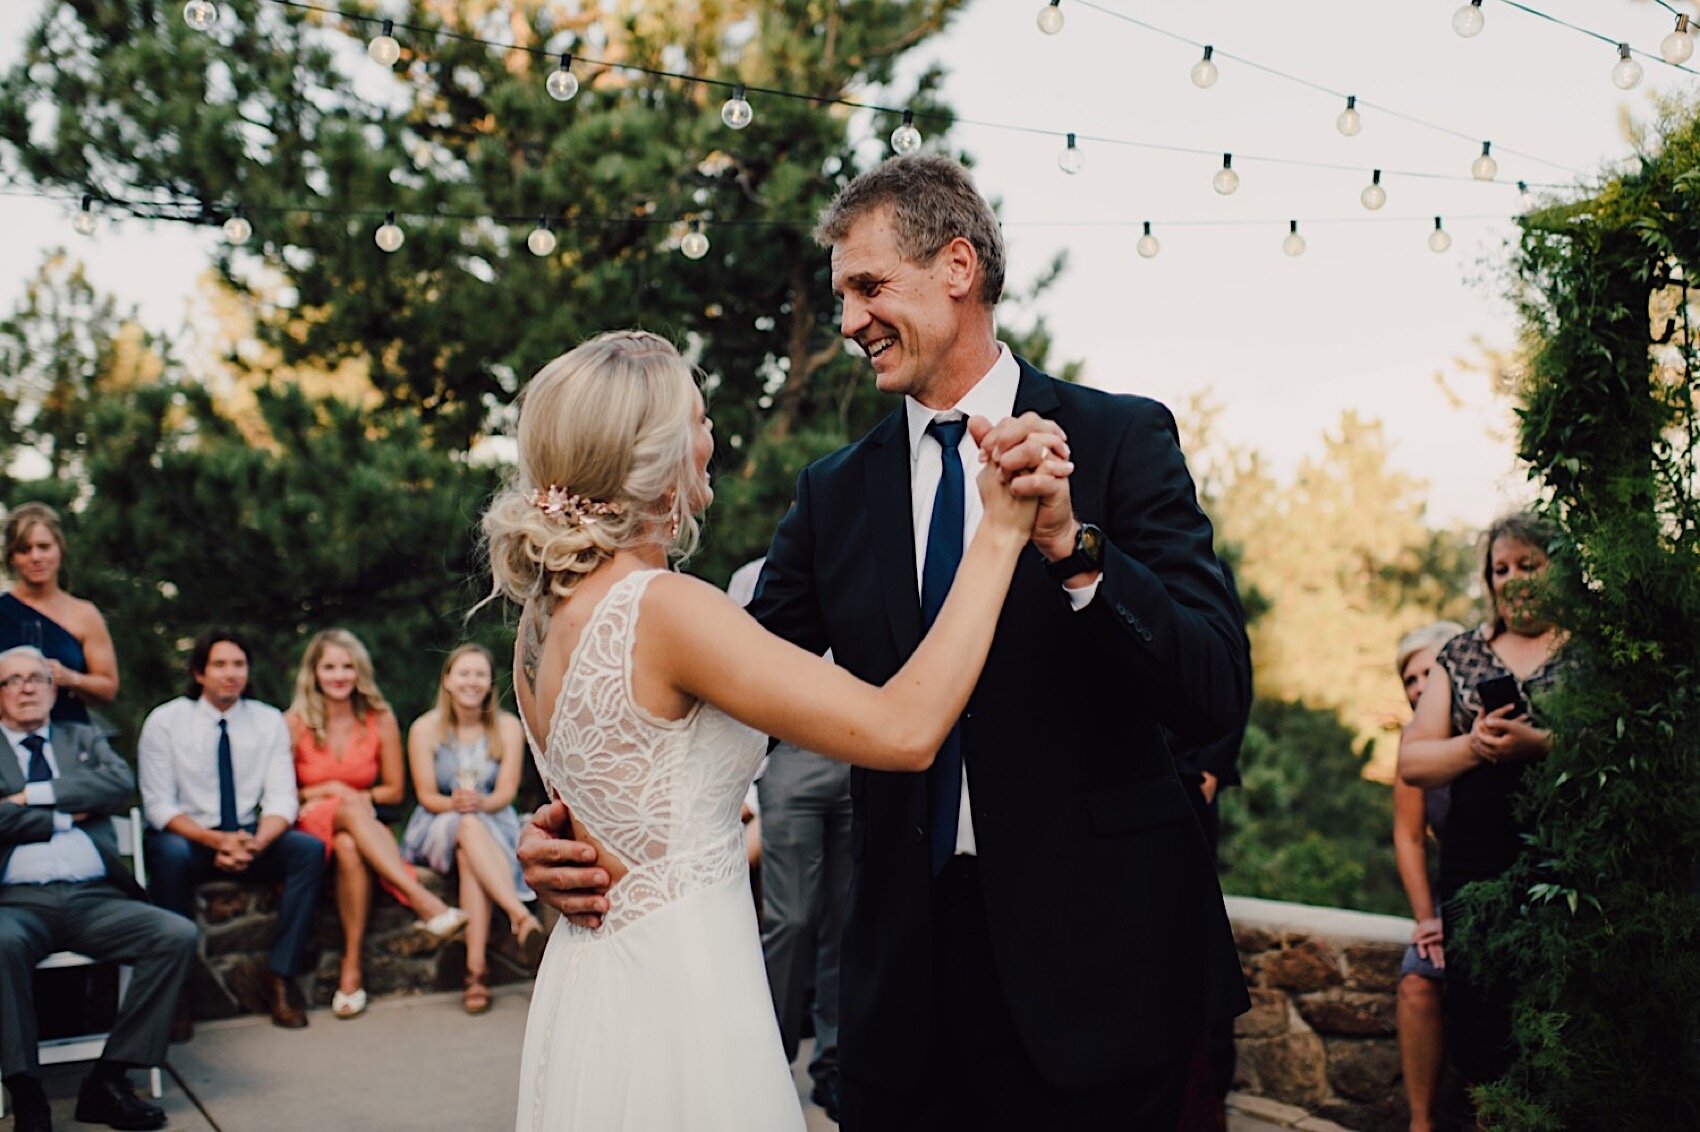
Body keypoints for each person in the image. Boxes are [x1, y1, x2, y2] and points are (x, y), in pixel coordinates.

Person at [519, 156, 1252, 1131]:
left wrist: (1074, 554)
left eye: (867, 287)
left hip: (1101, 967)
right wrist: (568, 823)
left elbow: (1213, 691)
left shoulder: (1117, 439)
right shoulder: (834, 493)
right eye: (839, 296)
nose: (849, 319)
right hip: (905, 993)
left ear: (956, 265)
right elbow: (681, 691)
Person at [484, 327, 1037, 1130]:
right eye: (700, 419)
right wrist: (1001, 533)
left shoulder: (540, 623)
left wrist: (544, 840)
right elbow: (905, 727)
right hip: (684, 981)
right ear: (659, 450)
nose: (711, 439)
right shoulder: (667, 608)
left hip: (593, 973)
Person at [0, 646, 198, 1132]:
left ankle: (108, 1080)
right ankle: (27, 1092)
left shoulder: (82, 737)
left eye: (36, 678)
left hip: (96, 899)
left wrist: (31, 798)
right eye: (12, 681)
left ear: (52, 688)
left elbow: (117, 785)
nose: (26, 688)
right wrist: (66, 815)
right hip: (16, 905)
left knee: (174, 934)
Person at [1400, 514, 1563, 1088]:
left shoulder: (1588, 650)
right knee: (1481, 1029)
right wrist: (1475, 745)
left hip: (1565, 860)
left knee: (1558, 1024)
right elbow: (1413, 763)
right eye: (1501, 568)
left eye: (1528, 565)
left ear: (1557, 568)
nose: (1513, 579)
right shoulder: (1463, 655)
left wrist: (1542, 745)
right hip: (1475, 866)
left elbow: (1624, 746)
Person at [138, 629, 324, 1030]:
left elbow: (282, 800)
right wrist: (214, 839)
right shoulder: (166, 722)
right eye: (220, 664)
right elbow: (158, 806)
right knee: (167, 853)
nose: (231, 673)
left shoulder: (268, 720)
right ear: (198, 673)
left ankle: (281, 974)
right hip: (190, 840)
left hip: (249, 839)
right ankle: (179, 988)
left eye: (238, 664)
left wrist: (255, 843)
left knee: (307, 850)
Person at [286, 629, 468, 1020]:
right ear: (314, 672)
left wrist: (353, 799)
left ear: (359, 671)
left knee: (351, 845)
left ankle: (351, 967)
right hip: (309, 823)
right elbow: (283, 791)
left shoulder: (379, 719)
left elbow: (393, 791)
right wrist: (331, 790)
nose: (339, 675)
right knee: (348, 808)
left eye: (347, 666)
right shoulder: (295, 723)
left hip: (360, 827)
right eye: (330, 667)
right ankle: (423, 901)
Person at [728, 556, 853, 1121]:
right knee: (793, 918)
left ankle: (834, 1062)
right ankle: (771, 1056)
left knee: (845, 922)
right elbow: (731, 677)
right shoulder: (754, 578)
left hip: (857, 753)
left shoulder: (862, 562)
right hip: (790, 759)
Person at [400, 643, 541, 1015]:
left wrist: (479, 804)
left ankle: (475, 973)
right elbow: (427, 795)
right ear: (447, 680)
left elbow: (506, 793)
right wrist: (457, 804)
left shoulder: (507, 726)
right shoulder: (425, 729)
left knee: (469, 848)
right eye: (464, 673)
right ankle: (519, 916)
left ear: (489, 682)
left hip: (492, 818)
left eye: (480, 674)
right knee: (465, 825)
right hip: (438, 821)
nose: (472, 681)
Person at [1392, 620, 1465, 1132]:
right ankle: (1421, 1123)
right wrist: (1425, 921)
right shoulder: (1412, 745)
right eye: (1409, 681)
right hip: (1449, 896)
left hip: (1505, 888)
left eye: (1427, 673)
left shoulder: (1492, 726)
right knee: (1418, 978)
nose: (1418, 688)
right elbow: (1409, 836)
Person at [0, 504, 119, 727]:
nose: (36, 557)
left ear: (59, 549)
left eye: (44, 547)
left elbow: (108, 688)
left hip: (68, 737)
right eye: (24, 550)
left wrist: (70, 677)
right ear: (12, 557)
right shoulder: (3, 609)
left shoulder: (84, 614)